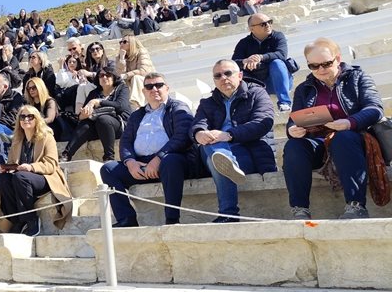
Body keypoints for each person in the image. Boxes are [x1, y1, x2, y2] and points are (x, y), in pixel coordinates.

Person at [283, 38, 384, 220]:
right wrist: (292, 129)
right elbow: (294, 119)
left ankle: (356, 206)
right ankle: (299, 209)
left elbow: (374, 109)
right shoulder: (303, 89)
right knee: (293, 146)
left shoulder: (358, 77)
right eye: (314, 66)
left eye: (326, 64)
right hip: (319, 141)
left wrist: (349, 122)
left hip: (352, 138)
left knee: (343, 138)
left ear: (337, 59)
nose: (320, 70)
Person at [100, 73, 195, 227]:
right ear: (144, 91)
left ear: (167, 88)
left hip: (171, 160)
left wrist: (158, 158)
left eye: (159, 85)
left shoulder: (178, 108)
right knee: (108, 169)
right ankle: (126, 219)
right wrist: (130, 162)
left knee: (170, 161)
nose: (154, 89)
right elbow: (125, 141)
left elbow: (182, 137)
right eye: (149, 86)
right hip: (141, 164)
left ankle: (172, 220)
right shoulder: (137, 115)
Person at [191, 60, 277, 222]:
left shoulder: (257, 93)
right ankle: (225, 161)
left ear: (240, 75)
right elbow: (198, 124)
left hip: (249, 152)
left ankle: (228, 213)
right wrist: (199, 134)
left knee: (216, 153)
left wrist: (229, 135)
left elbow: (263, 123)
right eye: (218, 75)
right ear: (214, 80)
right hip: (214, 153)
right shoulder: (207, 103)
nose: (223, 78)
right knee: (212, 147)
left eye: (228, 73)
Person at [0, 105, 71, 236]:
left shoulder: (47, 137)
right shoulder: (17, 140)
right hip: (23, 179)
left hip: (45, 178)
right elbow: (13, 163)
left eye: (30, 116)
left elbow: (52, 164)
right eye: (22, 117)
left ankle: (31, 219)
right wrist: (6, 168)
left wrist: (31, 167)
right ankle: (16, 219)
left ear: (37, 119)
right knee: (3, 179)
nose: (26, 119)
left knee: (21, 177)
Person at [61, 63, 130, 162]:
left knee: (103, 119)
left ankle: (108, 157)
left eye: (108, 75)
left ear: (114, 77)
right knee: (86, 124)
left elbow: (121, 106)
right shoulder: (94, 93)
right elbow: (81, 116)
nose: (104, 77)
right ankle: (66, 155)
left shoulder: (122, 88)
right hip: (99, 128)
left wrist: (99, 102)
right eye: (101, 75)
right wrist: (82, 116)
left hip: (119, 125)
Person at [232, 14, 295, 111]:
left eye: (269, 22)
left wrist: (261, 57)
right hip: (258, 84)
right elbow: (233, 63)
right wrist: (245, 61)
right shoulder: (244, 43)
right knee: (237, 73)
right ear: (251, 29)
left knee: (277, 63)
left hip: (278, 80)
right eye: (263, 24)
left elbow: (282, 54)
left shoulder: (278, 36)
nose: (268, 25)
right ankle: (244, 109)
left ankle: (284, 103)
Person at [118, 37, 155, 108]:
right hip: (131, 82)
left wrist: (126, 75)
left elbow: (144, 70)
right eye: (120, 42)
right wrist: (122, 59)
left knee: (136, 78)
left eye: (125, 42)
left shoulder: (141, 52)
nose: (122, 44)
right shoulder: (120, 57)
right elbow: (119, 75)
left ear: (132, 43)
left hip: (148, 80)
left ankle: (137, 104)